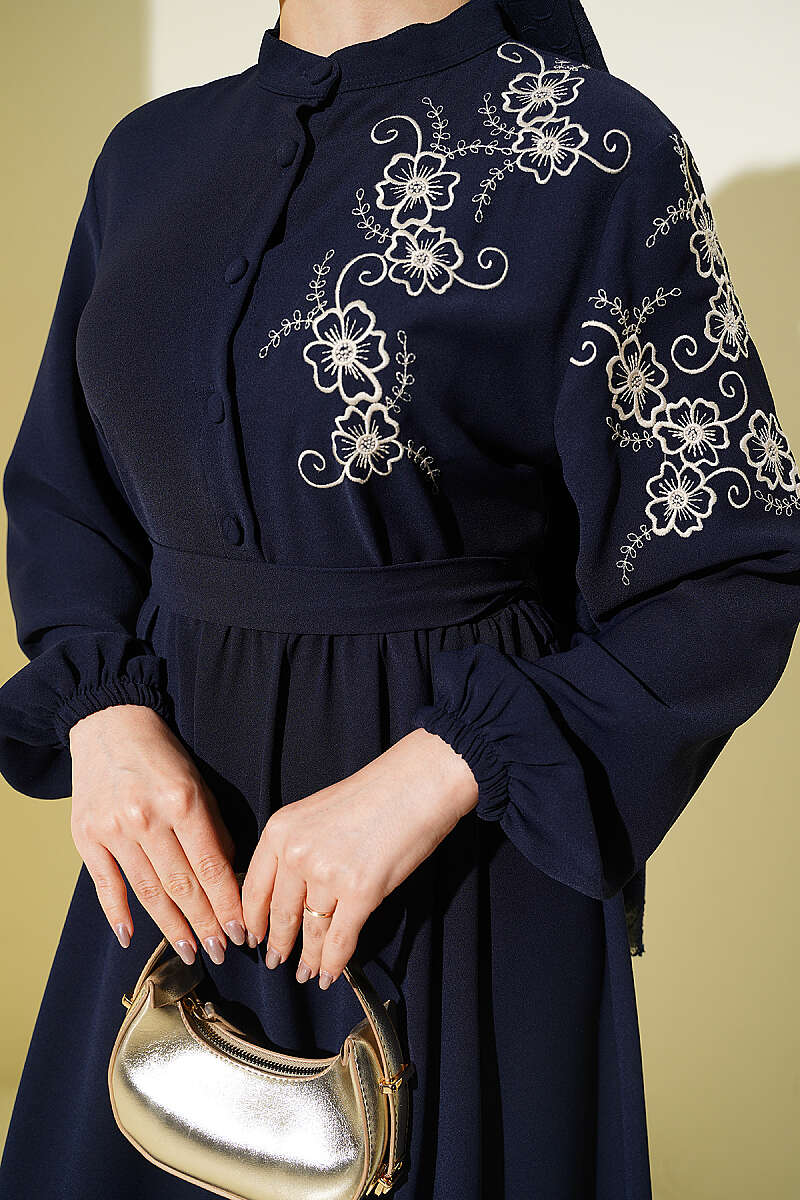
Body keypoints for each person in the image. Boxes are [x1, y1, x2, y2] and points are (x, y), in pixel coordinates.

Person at [0, 0, 798, 1196]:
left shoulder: (594, 148)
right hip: (173, 867)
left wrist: (437, 772)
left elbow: (728, 567)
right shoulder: (147, 157)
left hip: (457, 872)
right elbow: (68, 492)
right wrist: (101, 720)